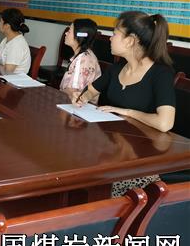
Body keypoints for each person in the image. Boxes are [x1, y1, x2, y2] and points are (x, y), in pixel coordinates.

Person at [74, 11, 176, 196]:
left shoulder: (161, 73)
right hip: (115, 152)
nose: (110, 38)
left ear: (130, 41)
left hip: (141, 163)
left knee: (90, 184)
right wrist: (81, 98)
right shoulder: (117, 68)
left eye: (115, 33)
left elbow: (165, 123)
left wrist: (127, 112)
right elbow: (90, 91)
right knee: (77, 166)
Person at [59, 19, 101, 101]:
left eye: (69, 31)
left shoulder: (82, 60)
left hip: (75, 104)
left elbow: (72, 92)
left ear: (79, 36)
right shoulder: (87, 54)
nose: (66, 33)